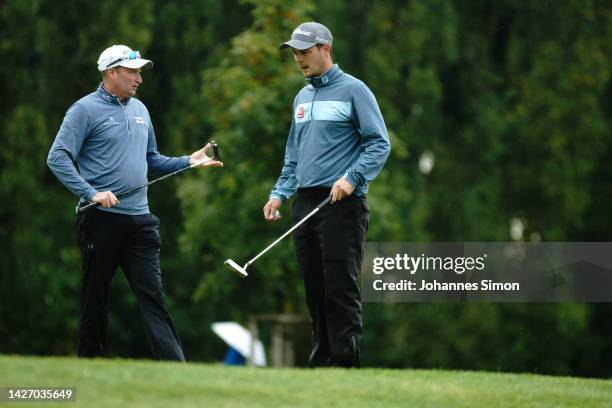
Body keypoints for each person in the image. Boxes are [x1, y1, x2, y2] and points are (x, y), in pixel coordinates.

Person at [47, 44, 223, 360]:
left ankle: (175, 369)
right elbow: (57, 157)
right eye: (133, 71)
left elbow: (151, 160)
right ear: (112, 72)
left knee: (153, 296)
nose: (139, 78)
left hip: (141, 221)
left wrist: (188, 161)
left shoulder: (141, 110)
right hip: (100, 219)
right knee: (95, 296)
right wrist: (91, 193)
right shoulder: (83, 110)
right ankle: (90, 363)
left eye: (140, 72)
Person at [263, 23, 390, 367]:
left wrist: (352, 178)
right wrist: (278, 194)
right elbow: (293, 156)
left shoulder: (354, 90)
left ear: (325, 49)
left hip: (341, 203)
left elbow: (379, 143)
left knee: (340, 286)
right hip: (305, 202)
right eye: (295, 53)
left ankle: (345, 363)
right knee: (314, 287)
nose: (299, 59)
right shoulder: (301, 98)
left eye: (305, 52)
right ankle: (322, 365)